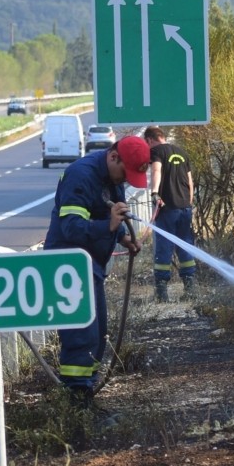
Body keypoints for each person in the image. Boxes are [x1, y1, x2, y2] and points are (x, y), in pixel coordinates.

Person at [43, 133, 153, 398]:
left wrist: (122, 237)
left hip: (89, 265)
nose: (124, 181)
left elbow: (103, 214)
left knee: (98, 333)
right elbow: (71, 227)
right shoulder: (81, 176)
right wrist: (110, 226)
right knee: (81, 336)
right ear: (114, 156)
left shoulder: (111, 177)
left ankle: (87, 391)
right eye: (124, 173)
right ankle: (76, 400)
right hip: (68, 265)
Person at [144, 125, 198, 301]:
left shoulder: (157, 151)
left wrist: (154, 193)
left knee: (164, 247)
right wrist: (188, 202)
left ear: (150, 140)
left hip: (167, 207)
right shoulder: (181, 152)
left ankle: (162, 292)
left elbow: (156, 170)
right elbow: (190, 181)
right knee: (185, 244)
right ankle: (190, 288)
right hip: (185, 208)